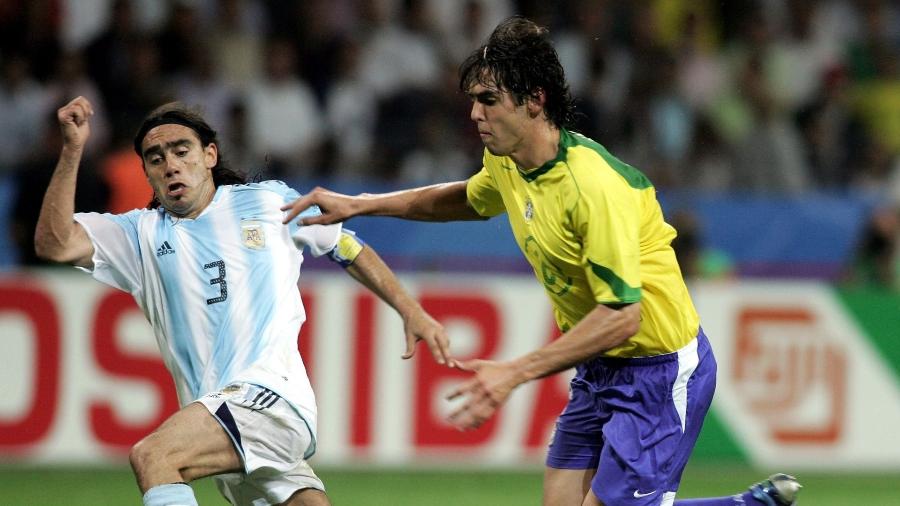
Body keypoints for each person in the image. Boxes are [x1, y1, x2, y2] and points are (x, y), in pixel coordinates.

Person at [282, 17, 802, 506]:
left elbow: (624, 314)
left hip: (659, 372)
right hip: (599, 366)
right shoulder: (507, 161)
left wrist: (514, 371)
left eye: (488, 100)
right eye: (472, 100)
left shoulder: (594, 187)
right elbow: (470, 198)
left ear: (535, 101)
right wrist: (362, 204)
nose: (474, 114)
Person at [35, 96, 452, 506]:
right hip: (220, 416)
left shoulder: (267, 202)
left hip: (269, 398)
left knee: (154, 456)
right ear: (146, 172)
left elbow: (346, 245)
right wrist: (73, 150)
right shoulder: (137, 235)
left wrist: (410, 310)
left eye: (182, 152)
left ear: (210, 155)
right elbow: (54, 245)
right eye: (156, 158)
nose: (171, 165)